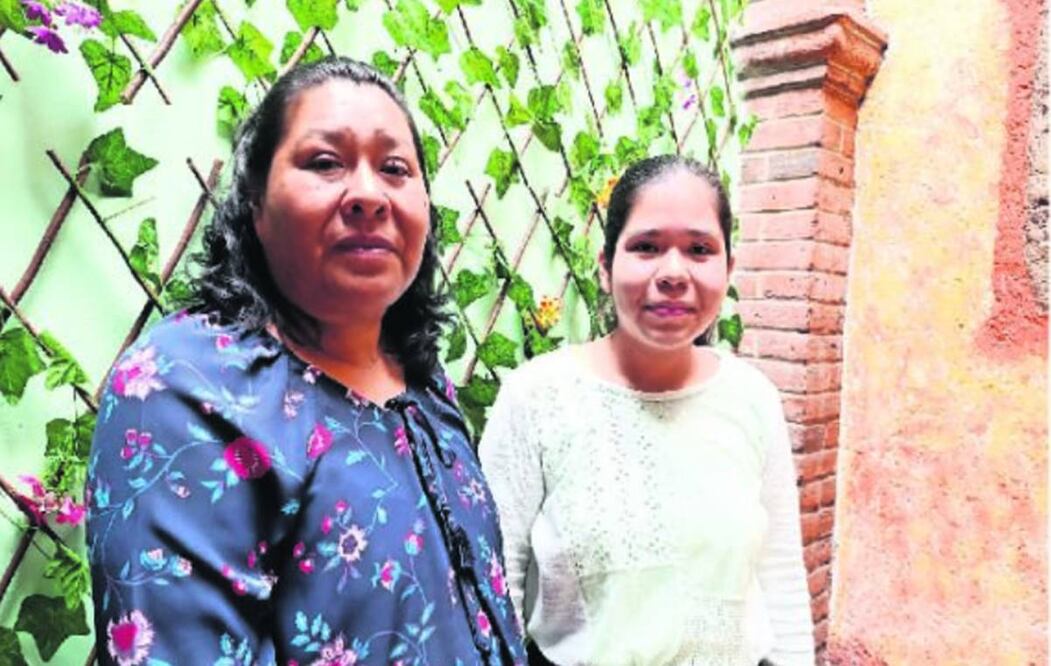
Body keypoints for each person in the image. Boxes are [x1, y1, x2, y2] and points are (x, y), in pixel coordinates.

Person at [86, 57, 525, 666]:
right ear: (255, 206)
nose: (369, 194)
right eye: (325, 162)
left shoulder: (425, 385)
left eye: (396, 169)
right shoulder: (187, 386)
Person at [479, 155, 815, 665]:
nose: (673, 273)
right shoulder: (538, 399)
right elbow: (493, 580)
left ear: (728, 268)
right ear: (606, 263)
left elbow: (781, 576)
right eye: (647, 247)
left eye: (700, 249)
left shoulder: (752, 398)